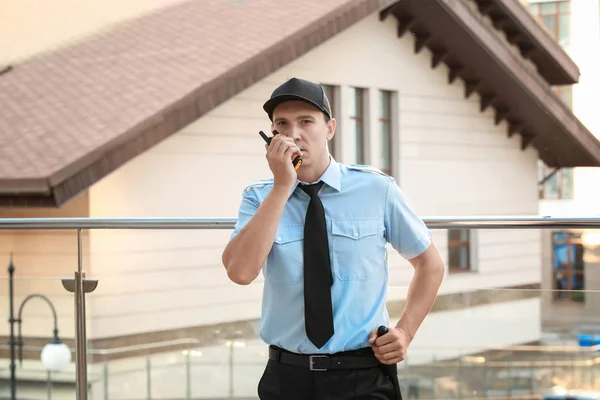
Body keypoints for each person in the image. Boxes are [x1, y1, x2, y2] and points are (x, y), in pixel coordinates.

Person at [221, 77, 445, 399]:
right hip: (287, 378)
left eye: (306, 122)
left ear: (329, 129)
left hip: (363, 375)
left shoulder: (376, 189)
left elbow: (430, 265)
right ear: (272, 135)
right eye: (282, 124)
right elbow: (240, 272)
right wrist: (283, 186)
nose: (294, 134)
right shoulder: (260, 197)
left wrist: (405, 333)